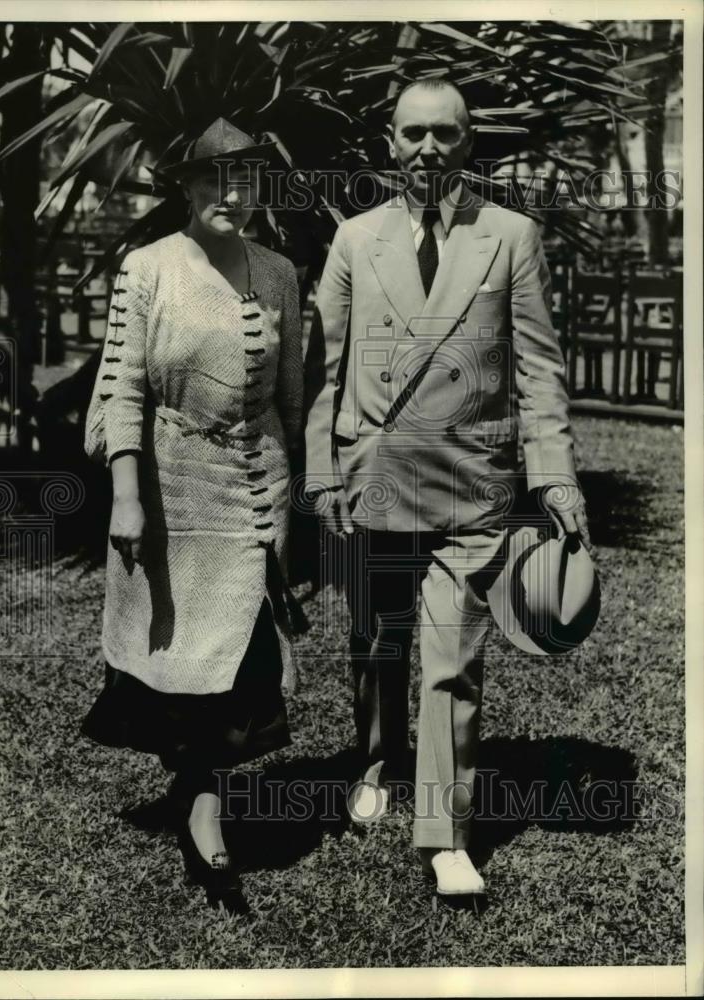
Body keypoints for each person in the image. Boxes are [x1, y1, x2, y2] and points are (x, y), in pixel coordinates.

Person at [304, 79, 589, 897]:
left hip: (472, 481)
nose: (427, 148)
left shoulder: (510, 235)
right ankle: (374, 760)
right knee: (375, 638)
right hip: (374, 475)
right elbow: (324, 370)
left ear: (468, 143)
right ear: (389, 144)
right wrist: (322, 473)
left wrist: (554, 476)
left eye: (444, 133)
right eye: (412, 134)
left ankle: (445, 835)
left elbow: (537, 369)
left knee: (451, 658)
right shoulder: (356, 238)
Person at [81, 118, 305, 914]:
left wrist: (297, 495)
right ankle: (199, 796)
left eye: (245, 181)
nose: (231, 196)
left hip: (255, 486)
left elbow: (291, 395)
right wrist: (127, 496)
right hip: (171, 486)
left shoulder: (279, 274)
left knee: (240, 653)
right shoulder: (148, 269)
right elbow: (123, 389)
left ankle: (202, 797)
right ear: (186, 186)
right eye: (214, 179)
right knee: (179, 648)